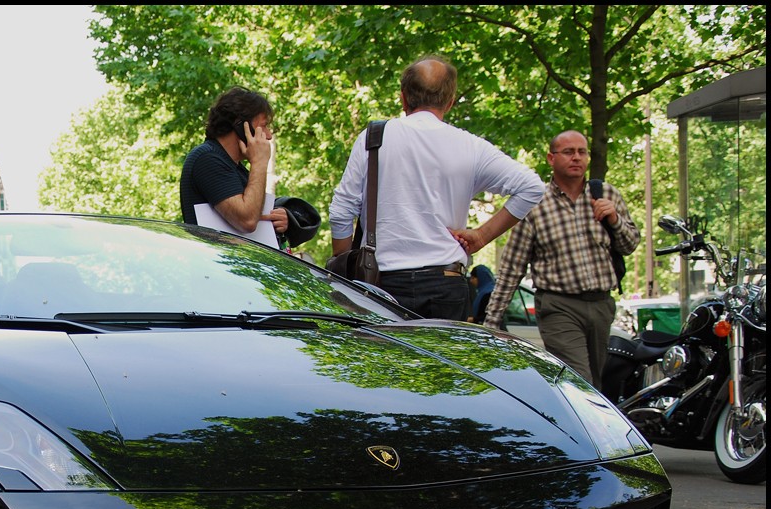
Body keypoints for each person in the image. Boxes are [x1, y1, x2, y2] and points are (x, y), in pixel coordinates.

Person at [328, 56, 544, 320]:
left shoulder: (375, 138)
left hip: (379, 284)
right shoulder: (471, 146)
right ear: (450, 102)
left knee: (386, 362)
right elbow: (531, 187)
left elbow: (341, 211)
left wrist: (345, 261)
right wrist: (482, 236)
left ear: (403, 98)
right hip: (447, 284)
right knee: (440, 362)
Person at [481, 130, 640, 385]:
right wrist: (492, 322)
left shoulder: (606, 194)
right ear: (551, 158)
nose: (576, 158)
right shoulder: (535, 202)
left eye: (582, 152)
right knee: (581, 381)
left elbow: (630, 245)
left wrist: (614, 220)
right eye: (568, 152)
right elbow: (512, 266)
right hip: (559, 307)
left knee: (596, 383)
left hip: (601, 304)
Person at [181, 87, 289, 241]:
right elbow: (247, 220)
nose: (269, 136)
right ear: (240, 126)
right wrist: (259, 162)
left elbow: (254, 215)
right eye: (263, 126)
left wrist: (277, 219)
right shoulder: (207, 158)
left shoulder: (234, 167)